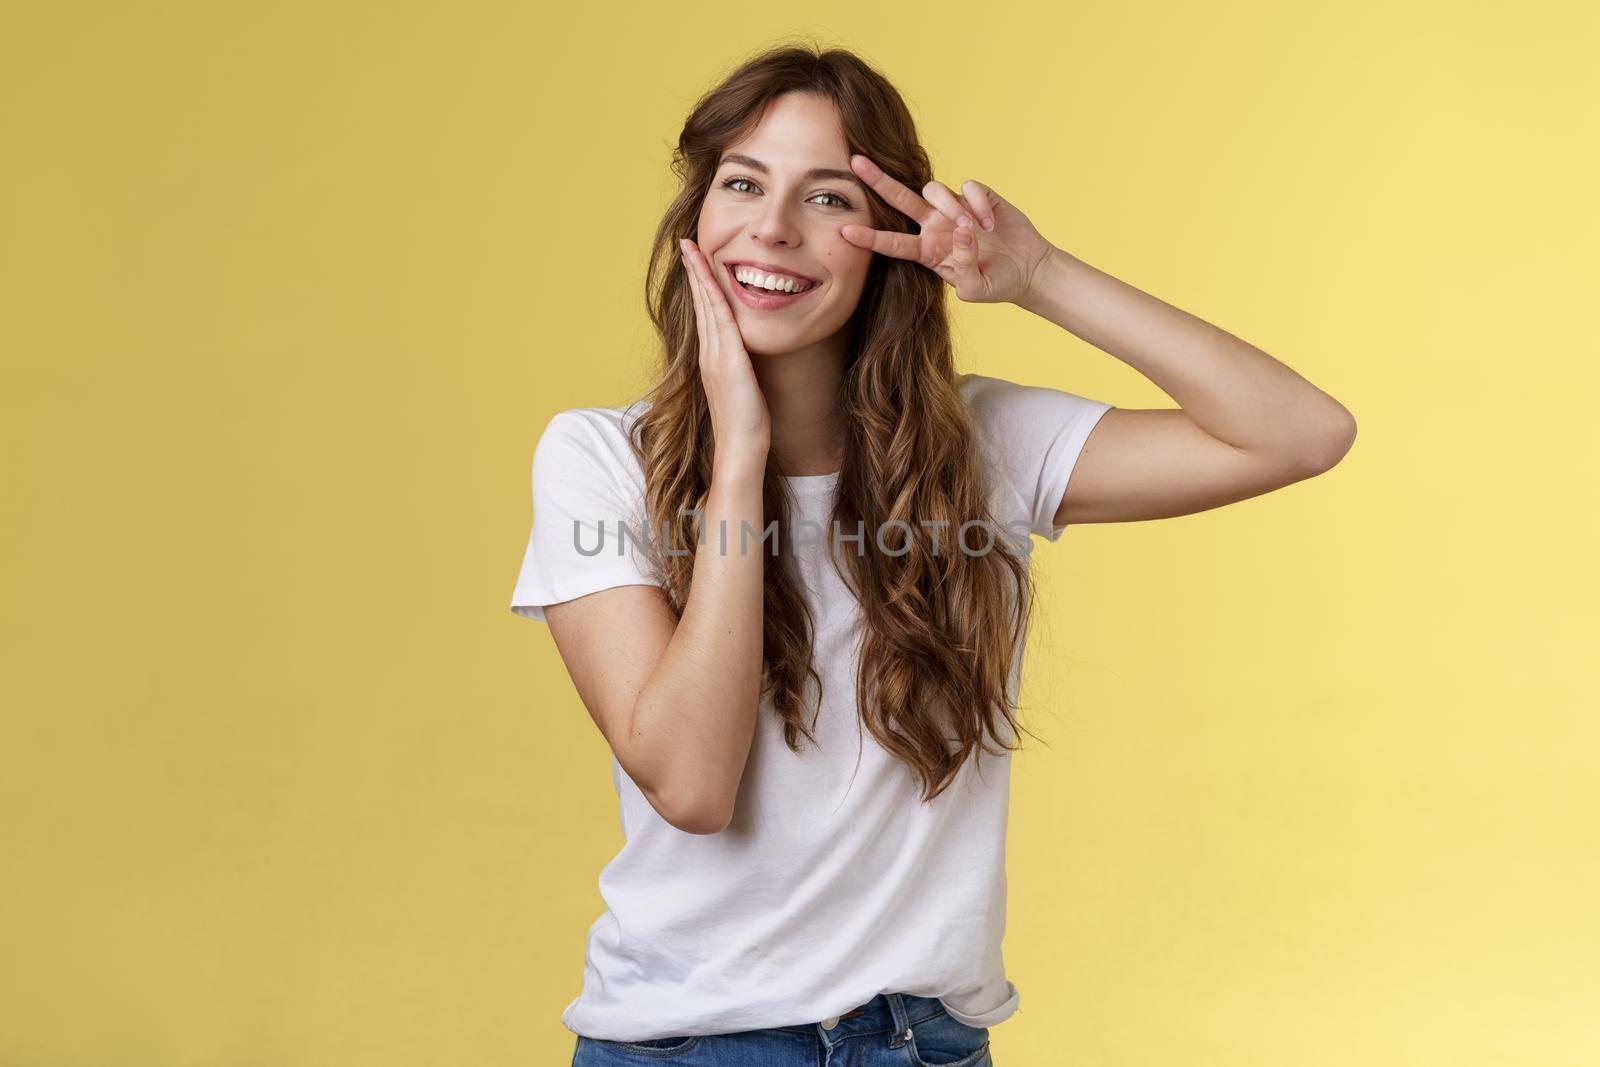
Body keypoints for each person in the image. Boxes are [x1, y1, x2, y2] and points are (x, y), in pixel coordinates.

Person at [509, 42, 1355, 1067]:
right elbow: (690, 783)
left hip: (924, 1045)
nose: (771, 227)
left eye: (825, 196)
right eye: (742, 183)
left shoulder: (979, 447)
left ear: (885, 240)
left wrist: (1038, 276)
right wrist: (739, 461)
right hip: (691, 1048)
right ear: (695, 216)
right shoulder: (598, 457)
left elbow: (1298, 432)